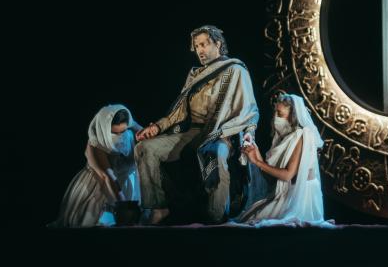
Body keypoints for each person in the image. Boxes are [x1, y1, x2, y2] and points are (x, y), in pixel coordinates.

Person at [134, 25, 259, 224]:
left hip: (221, 133)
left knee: (216, 154)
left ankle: (217, 216)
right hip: (192, 132)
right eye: (197, 46)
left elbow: (249, 110)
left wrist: (248, 134)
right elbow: (179, 112)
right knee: (144, 148)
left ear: (218, 43)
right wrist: (157, 127)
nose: (200, 50)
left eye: (204, 44)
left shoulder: (235, 70)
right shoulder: (195, 75)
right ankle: (158, 207)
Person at [236, 93, 328, 226]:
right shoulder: (282, 137)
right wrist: (256, 153)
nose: (275, 118)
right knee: (248, 216)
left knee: (254, 222)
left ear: (293, 116)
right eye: (275, 113)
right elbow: (271, 179)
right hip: (285, 194)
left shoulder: (302, 136)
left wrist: (257, 162)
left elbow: (287, 175)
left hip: (300, 198)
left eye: (280, 114)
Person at [50, 105, 141, 227]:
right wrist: (123, 204)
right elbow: (107, 176)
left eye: (123, 132)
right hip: (102, 184)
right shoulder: (95, 143)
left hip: (128, 183)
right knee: (103, 222)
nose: (119, 136)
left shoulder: (132, 133)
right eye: (114, 133)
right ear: (104, 129)